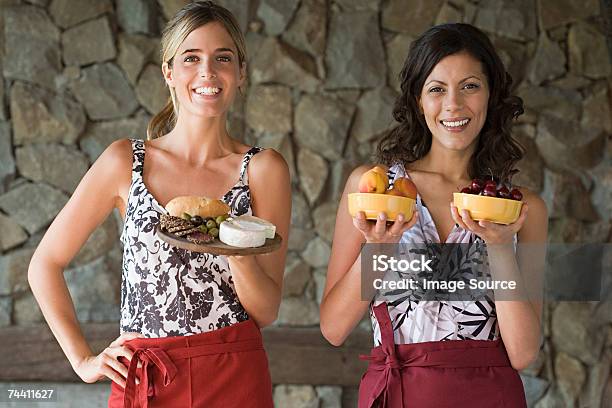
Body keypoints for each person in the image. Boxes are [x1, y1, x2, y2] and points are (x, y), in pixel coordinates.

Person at [27, 2, 290, 407]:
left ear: (241, 73)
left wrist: (233, 251)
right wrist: (83, 360)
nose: (207, 72)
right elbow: (44, 264)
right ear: (169, 72)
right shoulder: (124, 161)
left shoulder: (263, 169)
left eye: (223, 58)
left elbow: (266, 310)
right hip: (144, 376)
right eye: (191, 58)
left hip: (234, 371)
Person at [320, 23, 546, 407]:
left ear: (491, 94)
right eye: (437, 89)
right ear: (418, 100)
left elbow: (523, 354)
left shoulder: (521, 208)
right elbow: (334, 328)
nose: (453, 104)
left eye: (470, 86)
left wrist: (500, 248)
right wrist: (378, 249)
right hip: (398, 395)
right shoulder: (375, 191)